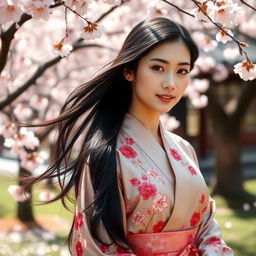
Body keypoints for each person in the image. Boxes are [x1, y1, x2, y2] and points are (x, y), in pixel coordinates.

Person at [24, 17, 234, 255]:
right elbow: (98, 247)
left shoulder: (184, 149)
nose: (170, 83)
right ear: (129, 71)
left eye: (181, 71)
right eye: (158, 68)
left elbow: (207, 226)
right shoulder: (104, 154)